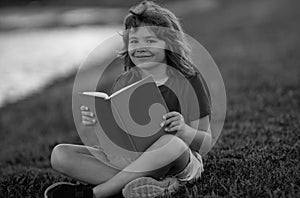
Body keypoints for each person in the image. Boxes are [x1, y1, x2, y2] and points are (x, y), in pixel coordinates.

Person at [44, 1, 212, 198]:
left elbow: (206, 143)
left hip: (179, 160)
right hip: (132, 160)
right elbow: (117, 145)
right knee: (60, 154)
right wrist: (96, 124)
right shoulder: (125, 82)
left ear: (169, 44)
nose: (140, 48)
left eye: (150, 41)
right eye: (134, 41)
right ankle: (155, 185)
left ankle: (96, 193)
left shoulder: (188, 80)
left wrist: (184, 130)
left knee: (170, 143)